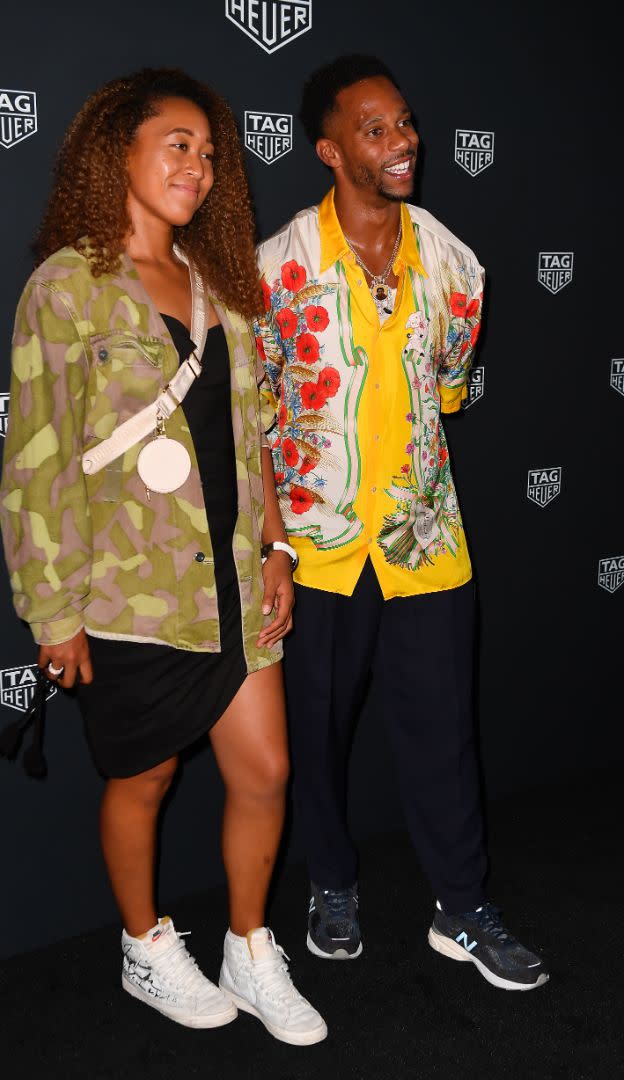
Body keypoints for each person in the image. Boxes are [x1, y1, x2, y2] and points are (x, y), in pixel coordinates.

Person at [0, 68, 326, 1045]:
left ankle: (250, 945)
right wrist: (50, 611)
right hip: (130, 596)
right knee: (144, 781)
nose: (198, 165)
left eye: (211, 153)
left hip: (230, 580)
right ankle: (146, 944)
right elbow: (34, 461)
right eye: (176, 144)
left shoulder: (220, 283)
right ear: (119, 153)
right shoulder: (65, 286)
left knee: (265, 771)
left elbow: (251, 440)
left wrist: (275, 546)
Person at [254, 55, 548, 991]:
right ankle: (330, 885)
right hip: (314, 548)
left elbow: (448, 393)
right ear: (330, 150)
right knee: (313, 735)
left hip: (426, 541)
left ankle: (461, 908)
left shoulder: (457, 264)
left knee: (444, 735)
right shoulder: (274, 271)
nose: (403, 142)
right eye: (376, 130)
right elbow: (251, 415)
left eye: (406, 124)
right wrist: (271, 545)